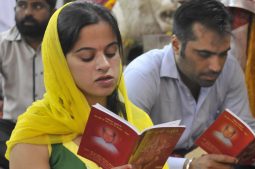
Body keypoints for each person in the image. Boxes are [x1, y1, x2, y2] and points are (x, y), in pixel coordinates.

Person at [124, 0, 255, 169]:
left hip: (205, 158)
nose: (216, 66)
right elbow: (128, 152)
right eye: (204, 54)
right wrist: (187, 165)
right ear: (176, 45)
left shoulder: (229, 67)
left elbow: (243, 126)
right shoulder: (142, 74)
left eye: (222, 54)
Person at [5, 2, 168, 169]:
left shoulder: (136, 121)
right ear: (59, 63)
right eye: (87, 56)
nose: (104, 64)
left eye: (111, 53)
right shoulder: (36, 129)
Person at [0, 0, 56, 168]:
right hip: (13, 126)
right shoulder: (3, 44)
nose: (27, 13)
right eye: (22, 5)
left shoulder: (63, 44)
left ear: (53, 11)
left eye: (37, 6)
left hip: (55, 127)